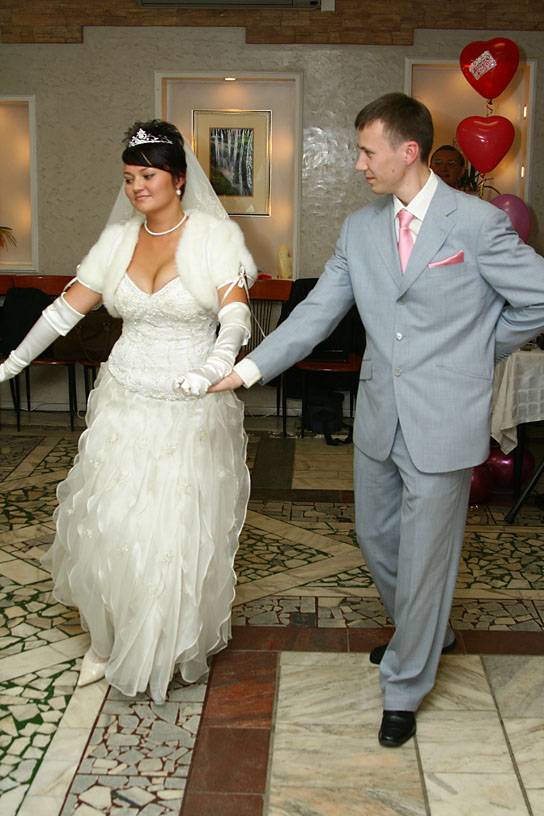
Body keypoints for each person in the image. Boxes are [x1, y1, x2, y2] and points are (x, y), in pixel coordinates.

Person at [211, 93, 544, 746]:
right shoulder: (360, 229)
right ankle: (429, 630)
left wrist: (479, 349)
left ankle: (405, 683)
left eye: (367, 151)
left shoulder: (477, 225)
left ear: (407, 150)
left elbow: (537, 298)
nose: (359, 163)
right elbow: (316, 314)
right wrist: (247, 370)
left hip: (444, 418)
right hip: (379, 418)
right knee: (375, 537)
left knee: (425, 560)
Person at [0, 120, 257, 703]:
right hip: (124, 399)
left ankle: (160, 642)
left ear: (179, 179)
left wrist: (214, 365)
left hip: (188, 404)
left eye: (147, 175)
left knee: (170, 526)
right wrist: (10, 363)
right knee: (112, 521)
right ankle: (107, 637)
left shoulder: (213, 238)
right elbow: (63, 311)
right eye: (128, 177)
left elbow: (236, 315)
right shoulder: (117, 242)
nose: (137, 186)